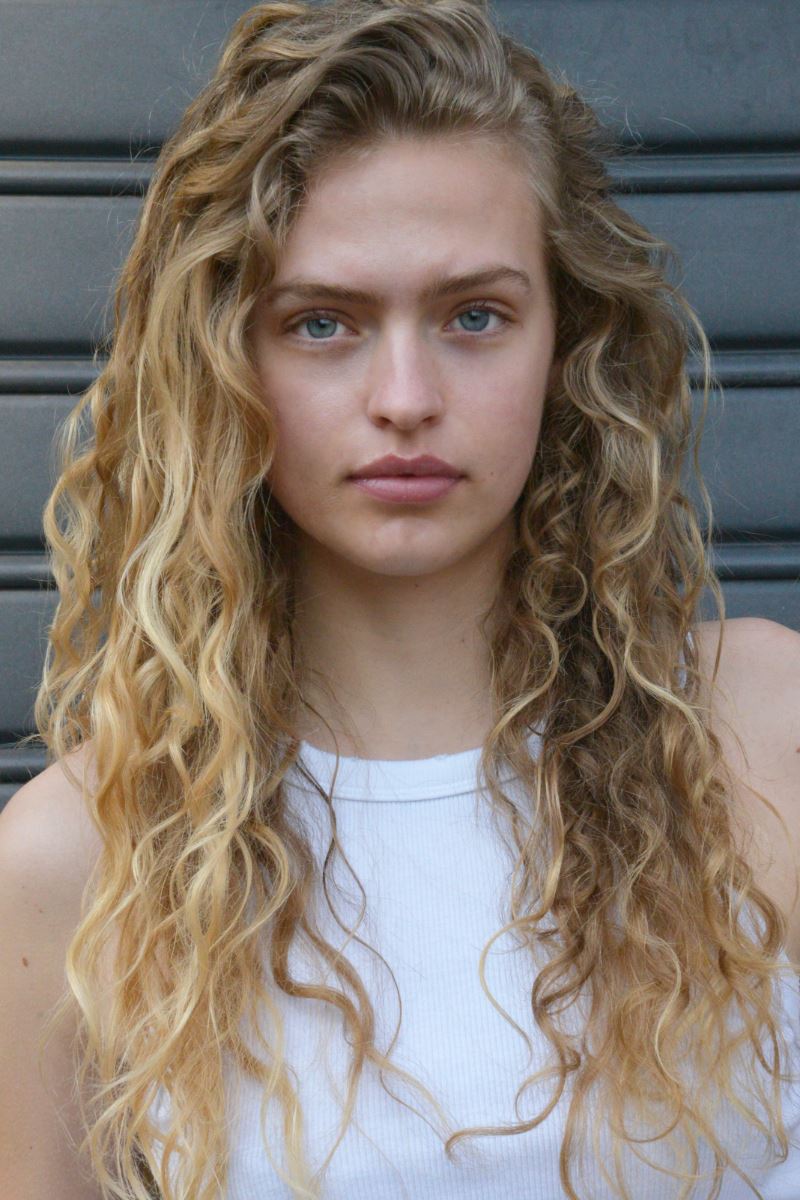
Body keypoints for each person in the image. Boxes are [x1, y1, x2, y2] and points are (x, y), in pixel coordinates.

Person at [1, 1, 798, 1198]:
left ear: (563, 341)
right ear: (224, 360)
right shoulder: (81, 855)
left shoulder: (762, 734)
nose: (406, 396)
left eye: (473, 315)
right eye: (321, 323)